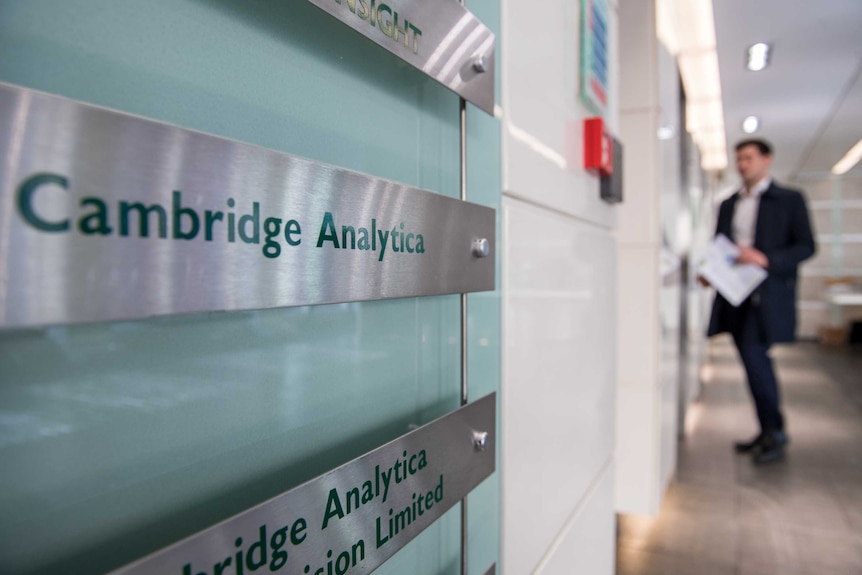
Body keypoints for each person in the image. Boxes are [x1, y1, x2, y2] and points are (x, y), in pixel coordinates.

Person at [705, 138, 816, 465]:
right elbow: (720, 247)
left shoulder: (790, 200)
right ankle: (767, 429)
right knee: (752, 363)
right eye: (739, 159)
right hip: (734, 295)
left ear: (766, 160)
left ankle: (775, 431)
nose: (743, 165)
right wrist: (709, 272)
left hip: (765, 297)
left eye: (749, 158)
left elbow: (806, 247)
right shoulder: (728, 204)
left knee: (756, 361)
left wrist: (766, 258)